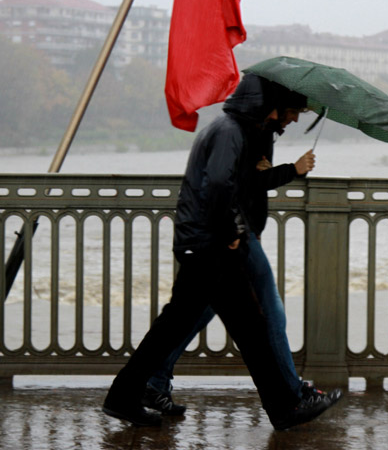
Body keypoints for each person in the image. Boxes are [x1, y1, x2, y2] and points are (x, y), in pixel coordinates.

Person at [102, 74, 341, 429]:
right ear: (268, 105)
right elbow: (218, 183)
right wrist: (231, 231)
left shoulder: (231, 129)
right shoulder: (231, 131)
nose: (290, 119)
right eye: (289, 111)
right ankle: (284, 407)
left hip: (202, 244)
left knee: (185, 327)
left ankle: (123, 397)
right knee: (250, 329)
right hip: (211, 246)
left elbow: (229, 183)